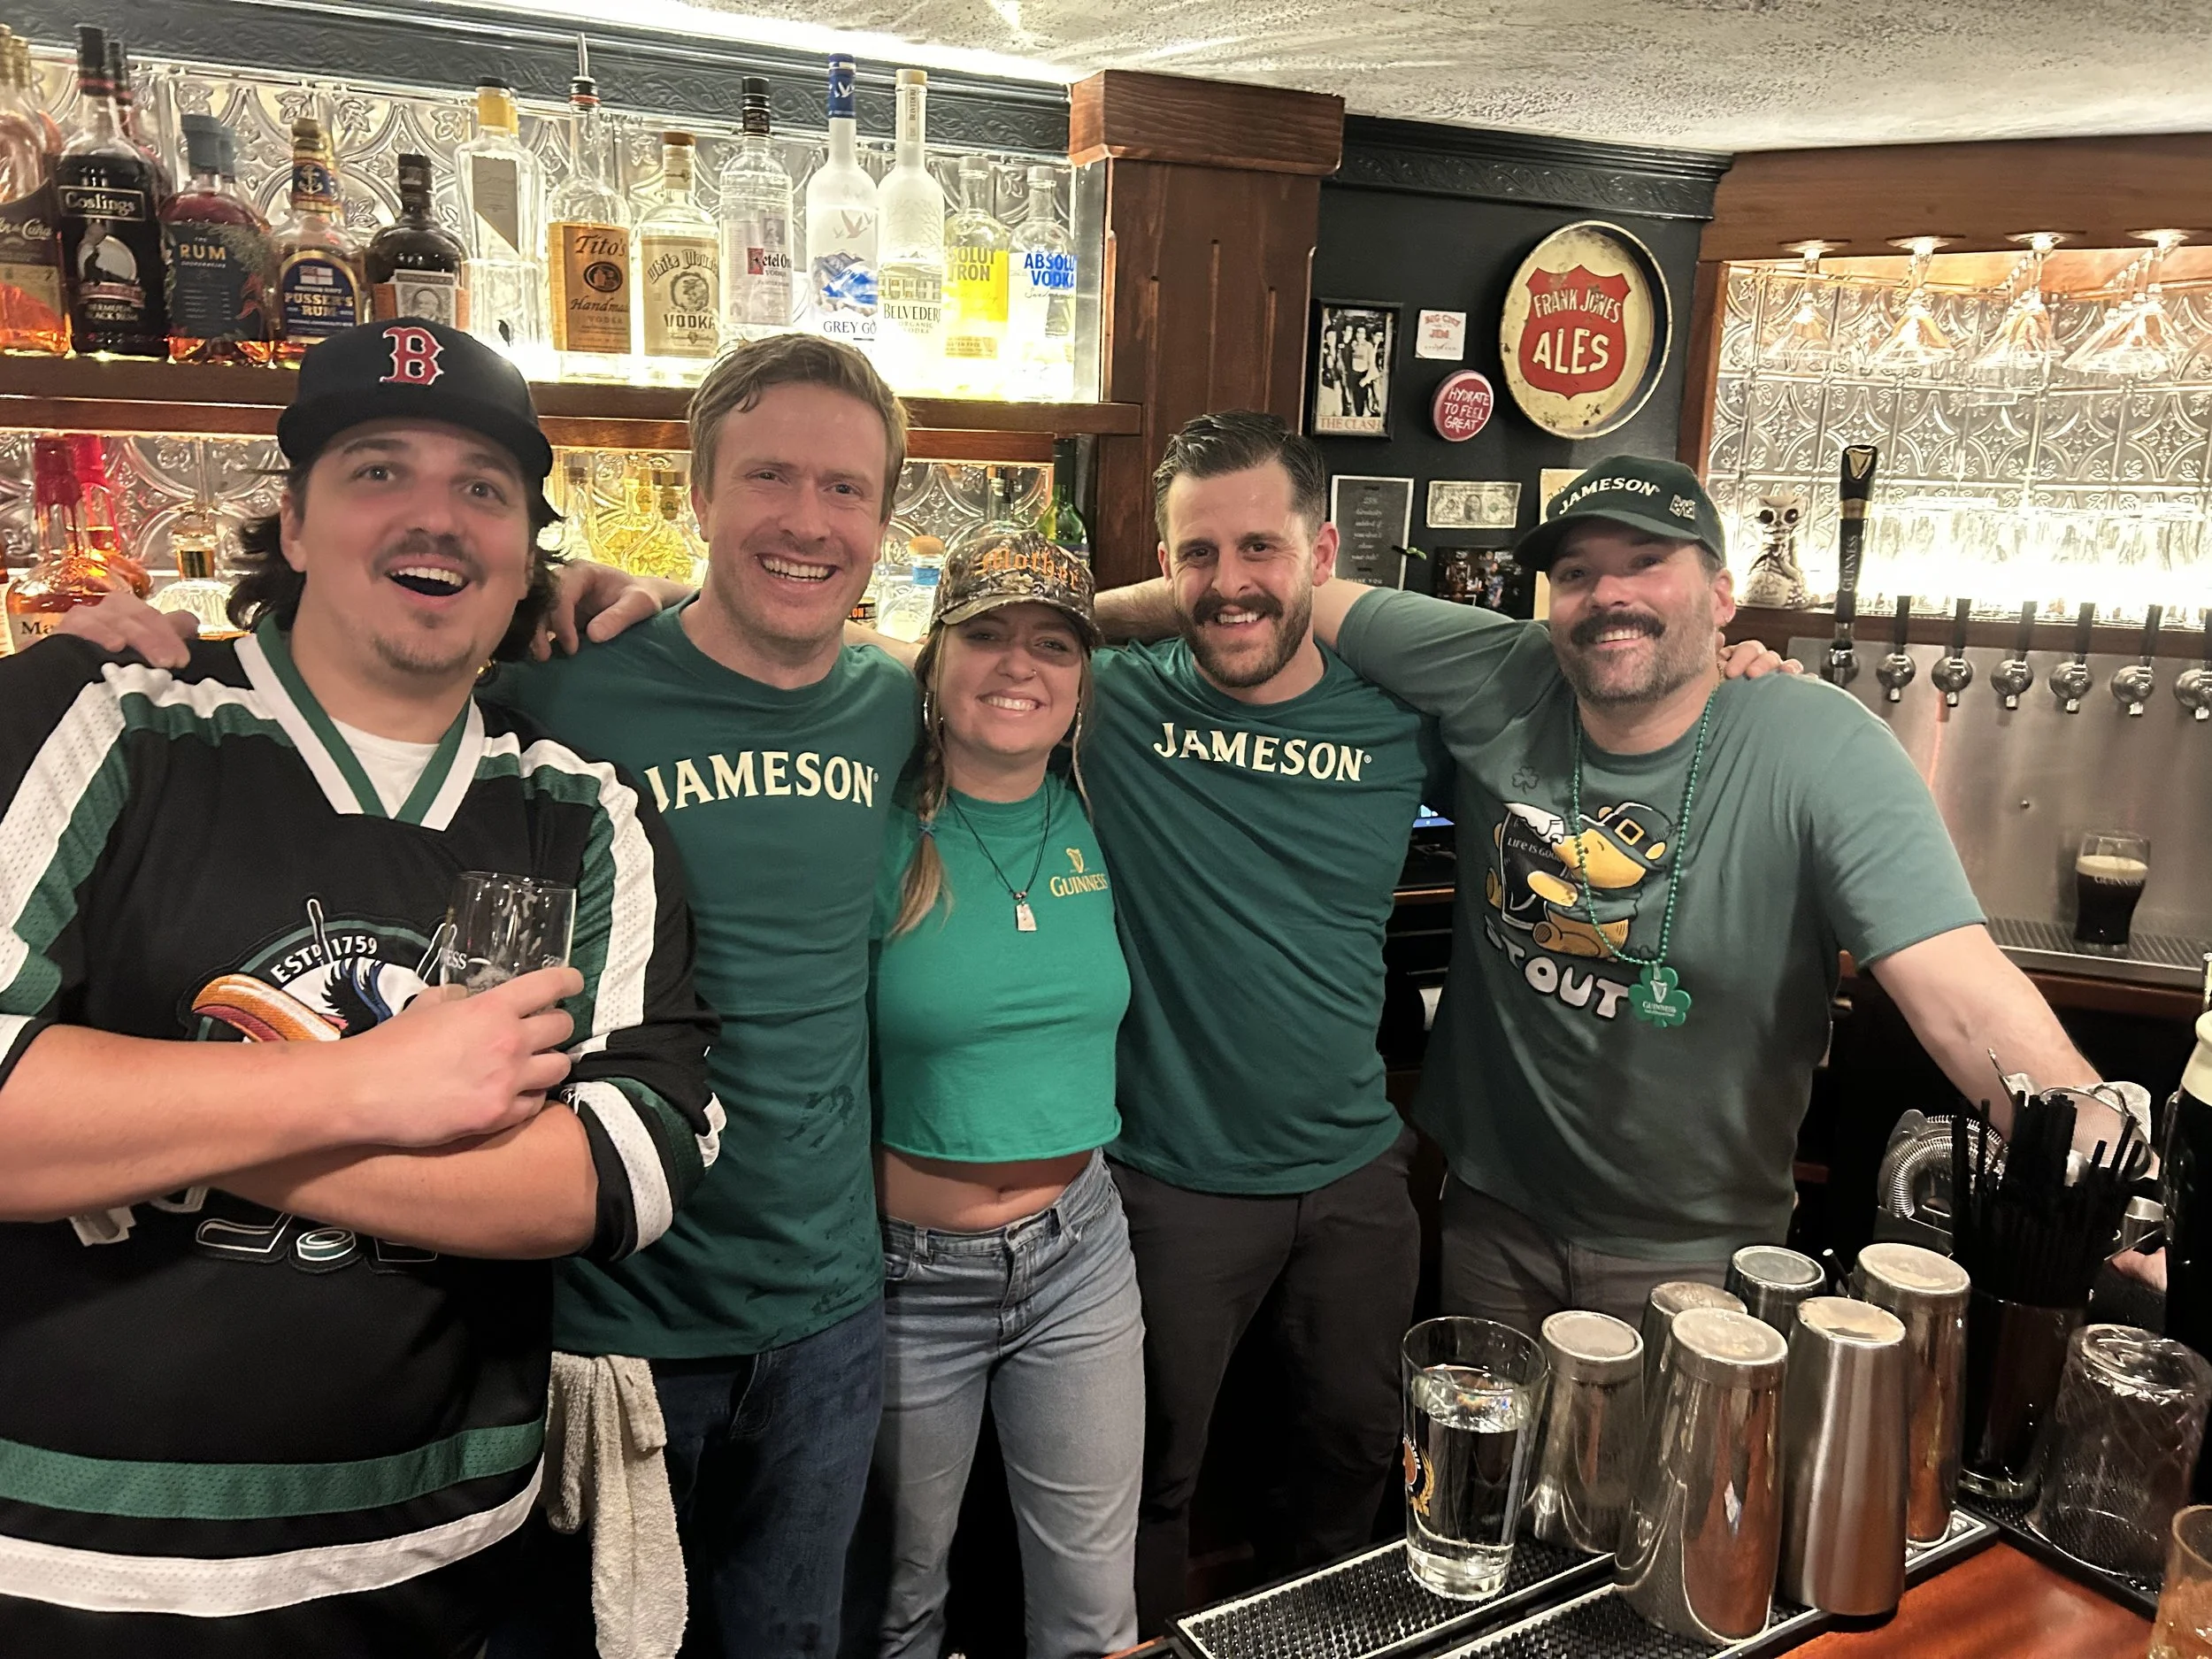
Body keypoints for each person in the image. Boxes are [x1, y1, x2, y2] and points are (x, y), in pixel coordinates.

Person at [541, 412, 1789, 1633]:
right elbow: (928, 645)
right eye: (1198, 555)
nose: (1230, 583)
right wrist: (657, 585)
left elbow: (1587, 734)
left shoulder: (1401, 710)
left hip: (1356, 1172)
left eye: (1261, 550)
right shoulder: (1106, 715)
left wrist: (1727, 673)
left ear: (1325, 553)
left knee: (1358, 1475)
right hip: (1155, 1190)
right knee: (1110, 1515)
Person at [50, 333, 919, 1659]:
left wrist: (151, 1122)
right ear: (696, 495)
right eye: (768, 477)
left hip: (817, 1316)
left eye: (847, 489)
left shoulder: (877, 702)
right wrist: (359, 1087)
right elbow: (404, 632)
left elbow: (624, 1154)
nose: (807, 518)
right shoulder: (559, 707)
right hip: (593, 1344)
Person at [1298, 455, 2109, 1331]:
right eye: (1575, 573)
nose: (1608, 593)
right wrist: (1125, 613)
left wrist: (2112, 1181)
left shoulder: (1820, 746)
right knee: (1489, 1467)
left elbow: (1962, 997)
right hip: (1490, 1217)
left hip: (1697, 1257)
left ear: (1722, 598)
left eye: (1646, 560)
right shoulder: (1504, 671)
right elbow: (1283, 592)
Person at [846, 535, 1143, 1659]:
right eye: (984, 634)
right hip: (903, 1273)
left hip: (1081, 1255)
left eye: (1053, 645)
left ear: (1080, 682)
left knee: (1091, 1608)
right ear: (931, 660)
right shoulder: (868, 815)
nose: (1019, 666)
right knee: (898, 1603)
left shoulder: (1107, 798)